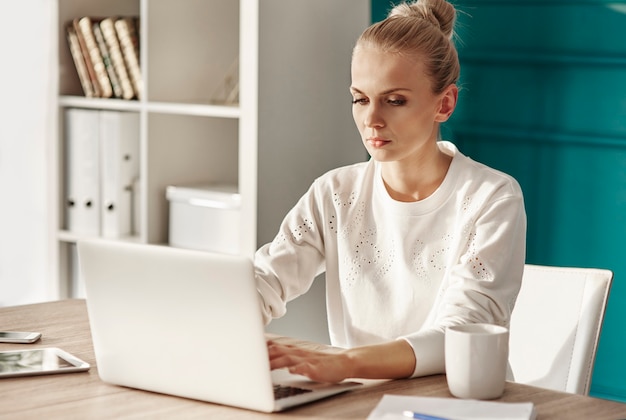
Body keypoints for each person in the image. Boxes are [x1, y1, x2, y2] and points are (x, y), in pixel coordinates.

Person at [255, 0, 526, 383]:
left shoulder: (492, 198)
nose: (372, 120)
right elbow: (266, 278)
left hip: (458, 401)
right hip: (358, 399)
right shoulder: (334, 192)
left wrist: (345, 363)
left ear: (444, 103)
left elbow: (462, 331)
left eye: (394, 101)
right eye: (360, 99)